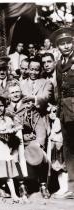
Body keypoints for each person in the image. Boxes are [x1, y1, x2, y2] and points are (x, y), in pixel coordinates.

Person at [6, 83, 50, 199]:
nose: (15, 95)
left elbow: (39, 125)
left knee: (39, 154)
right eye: (12, 92)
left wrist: (39, 143)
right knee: (13, 156)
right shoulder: (5, 109)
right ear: (9, 95)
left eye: (17, 92)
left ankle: (43, 185)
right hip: (13, 141)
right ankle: (21, 185)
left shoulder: (29, 107)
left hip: (29, 139)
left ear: (20, 92)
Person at [50, 27, 74, 198]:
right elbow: (59, 91)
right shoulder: (58, 65)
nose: (66, 46)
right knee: (68, 150)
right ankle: (72, 187)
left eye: (68, 42)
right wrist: (58, 113)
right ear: (57, 47)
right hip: (65, 112)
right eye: (62, 44)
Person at [46, 104, 68, 198]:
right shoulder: (52, 122)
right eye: (50, 112)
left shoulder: (58, 121)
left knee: (62, 168)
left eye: (54, 111)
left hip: (60, 145)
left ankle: (65, 188)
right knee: (58, 168)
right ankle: (62, 188)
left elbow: (56, 131)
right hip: (55, 145)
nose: (52, 114)